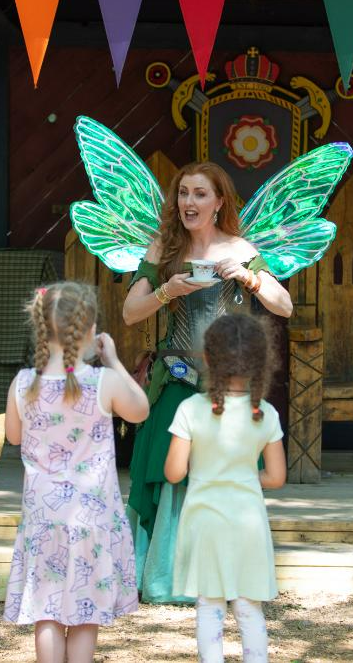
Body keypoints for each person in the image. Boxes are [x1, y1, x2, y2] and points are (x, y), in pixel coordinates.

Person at [122, 161, 292, 603]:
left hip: (225, 381)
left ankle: (220, 572)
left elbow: (284, 305)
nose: (189, 202)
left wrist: (250, 277)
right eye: (183, 193)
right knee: (167, 467)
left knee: (218, 470)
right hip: (176, 376)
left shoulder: (240, 247)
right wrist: (168, 291)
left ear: (219, 202)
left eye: (199, 194)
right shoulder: (164, 248)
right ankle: (165, 577)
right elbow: (129, 313)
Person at [3, 281, 150, 663]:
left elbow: (13, 437)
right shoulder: (103, 381)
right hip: (91, 519)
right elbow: (140, 410)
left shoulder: (23, 383)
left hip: (43, 517)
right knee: (85, 614)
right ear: (90, 329)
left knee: (47, 611)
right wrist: (113, 359)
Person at [164, 313, 286, 663]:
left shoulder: (190, 409)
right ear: (260, 362)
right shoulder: (265, 413)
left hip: (205, 524)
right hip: (249, 524)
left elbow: (174, 472)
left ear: (207, 358)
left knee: (209, 606)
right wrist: (244, 476)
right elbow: (276, 477)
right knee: (248, 607)